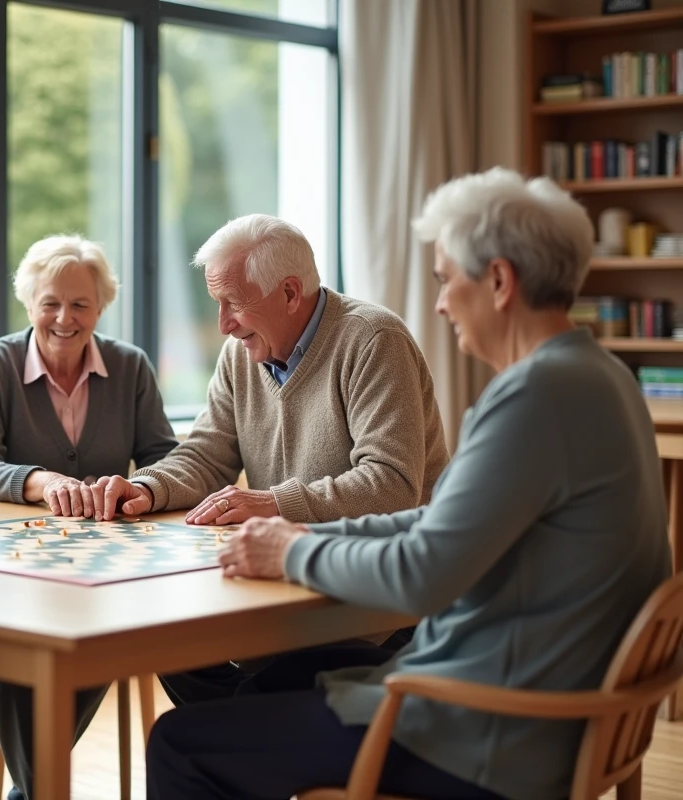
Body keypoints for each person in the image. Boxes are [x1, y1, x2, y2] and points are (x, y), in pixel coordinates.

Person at [146, 168, 672, 800]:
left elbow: (426, 571)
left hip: (482, 732)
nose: (443, 303)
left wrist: (293, 550)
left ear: (500, 282)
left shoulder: (533, 398)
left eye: (448, 280)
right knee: (273, 682)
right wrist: (294, 534)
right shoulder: (601, 377)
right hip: (529, 702)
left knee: (180, 741)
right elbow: (437, 519)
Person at [92, 214, 449, 704]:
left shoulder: (373, 340)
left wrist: (276, 504)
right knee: (170, 645)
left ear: (288, 293)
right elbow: (207, 453)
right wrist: (148, 487)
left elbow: (391, 484)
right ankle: (250, 747)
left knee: (217, 718)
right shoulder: (243, 352)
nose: (222, 325)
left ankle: (247, 745)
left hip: (374, 610)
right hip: (284, 589)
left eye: (232, 303)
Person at [0, 234, 178, 799]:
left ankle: (28, 794)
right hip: (13, 565)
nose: (64, 317)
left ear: (100, 307)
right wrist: (42, 481)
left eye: (80, 304)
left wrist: (138, 486)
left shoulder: (131, 367)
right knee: (9, 673)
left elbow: (163, 459)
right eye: (50, 302)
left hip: (107, 564)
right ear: (29, 303)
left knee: (101, 640)